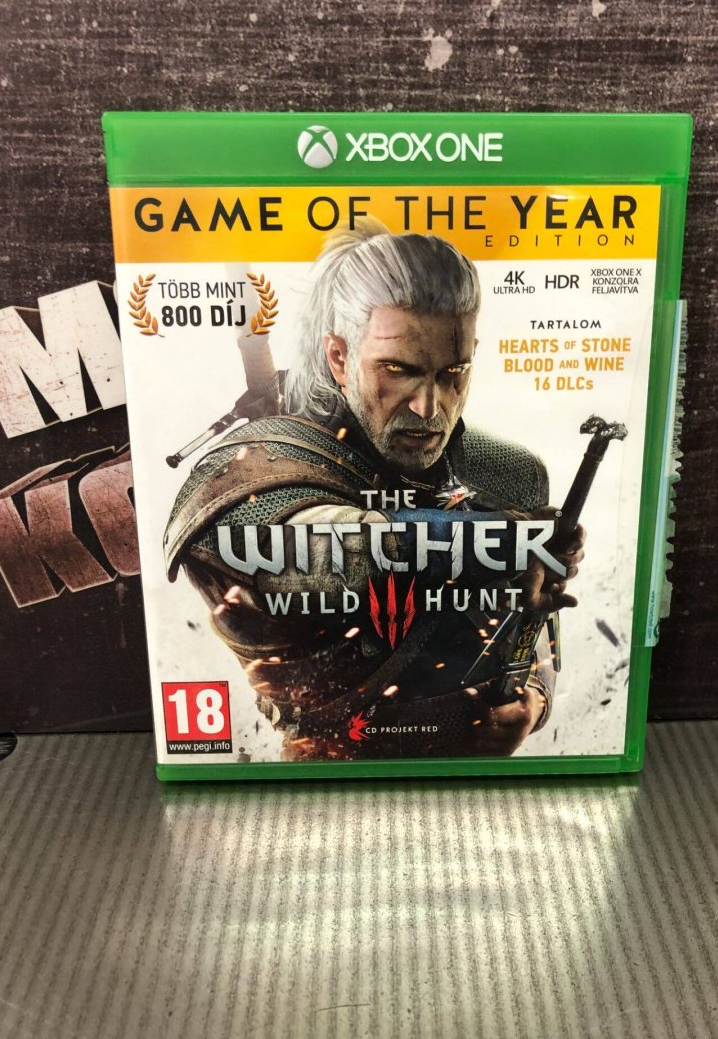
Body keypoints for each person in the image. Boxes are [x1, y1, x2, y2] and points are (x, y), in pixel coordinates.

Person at [164, 221, 584, 761]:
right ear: (338, 357)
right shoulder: (255, 467)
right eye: (397, 370)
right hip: (318, 775)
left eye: (453, 372)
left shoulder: (507, 473)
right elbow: (311, 550)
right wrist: (499, 540)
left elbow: (535, 620)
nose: (429, 408)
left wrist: (533, 699)